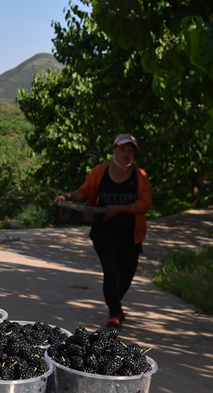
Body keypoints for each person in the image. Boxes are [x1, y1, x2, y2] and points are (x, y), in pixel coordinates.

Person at [53, 133, 151, 330]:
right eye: (122, 149)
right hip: (104, 233)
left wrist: (119, 209)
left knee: (126, 276)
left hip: (131, 235)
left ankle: (115, 303)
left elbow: (145, 205)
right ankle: (114, 312)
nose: (126, 153)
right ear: (114, 149)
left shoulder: (140, 176)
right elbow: (84, 192)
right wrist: (67, 196)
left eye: (130, 150)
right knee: (111, 272)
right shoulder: (100, 172)